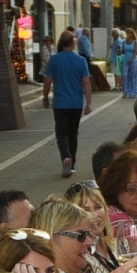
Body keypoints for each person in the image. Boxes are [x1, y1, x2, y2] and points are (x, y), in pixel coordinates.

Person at [43, 31, 91, 179]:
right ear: (73, 43)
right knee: (73, 133)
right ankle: (72, 163)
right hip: (76, 103)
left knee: (61, 133)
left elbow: (47, 81)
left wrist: (45, 97)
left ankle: (65, 157)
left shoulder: (54, 60)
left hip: (60, 103)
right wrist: (89, 103)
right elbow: (86, 82)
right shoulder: (81, 60)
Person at [119, 32, 137, 98]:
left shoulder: (135, 42)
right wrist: (120, 50)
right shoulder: (124, 42)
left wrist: (132, 58)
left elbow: (135, 51)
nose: (127, 35)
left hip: (133, 60)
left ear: (132, 34)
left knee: (133, 76)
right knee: (124, 75)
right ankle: (125, 92)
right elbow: (123, 51)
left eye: (129, 33)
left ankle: (133, 92)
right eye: (127, 33)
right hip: (125, 60)